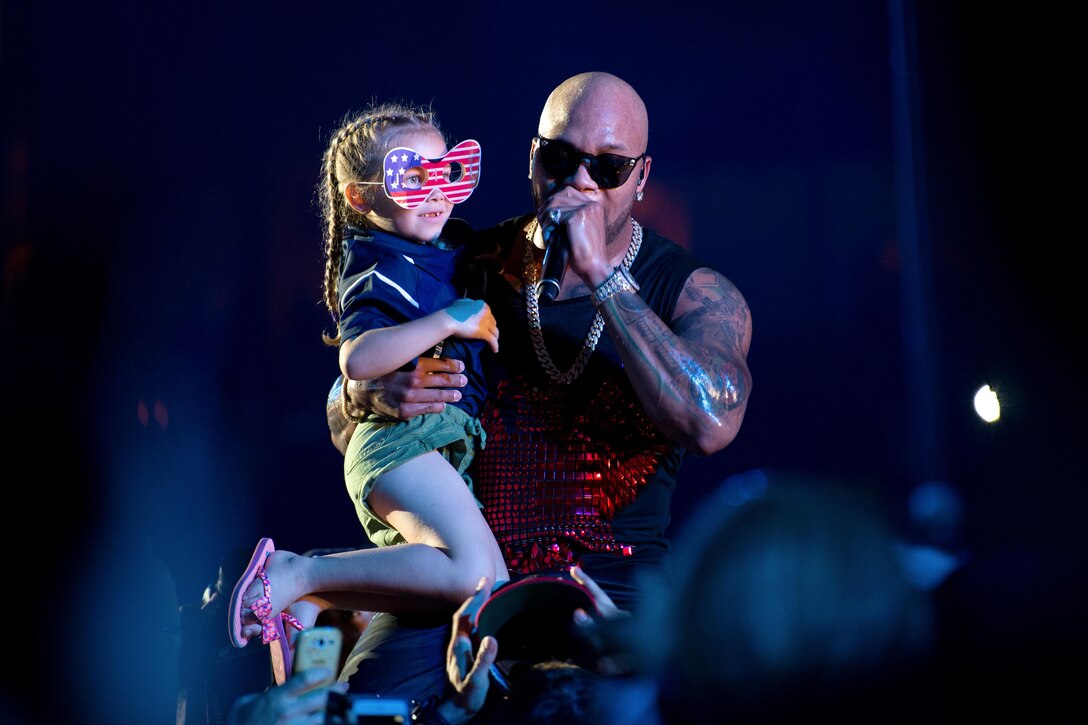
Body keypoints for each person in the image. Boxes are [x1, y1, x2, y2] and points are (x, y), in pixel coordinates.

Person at [330, 71, 753, 701]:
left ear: (640, 178)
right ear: (534, 160)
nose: (580, 180)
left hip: (613, 593)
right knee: (363, 701)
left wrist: (603, 276)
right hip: (468, 585)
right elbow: (344, 409)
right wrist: (364, 396)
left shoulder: (691, 291)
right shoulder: (465, 261)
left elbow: (711, 423)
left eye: (608, 168)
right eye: (561, 157)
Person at [228, 103, 509, 674]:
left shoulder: (441, 249)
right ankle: (298, 574)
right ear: (361, 198)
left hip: (422, 446)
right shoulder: (378, 264)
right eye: (411, 177)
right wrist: (451, 319)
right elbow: (358, 358)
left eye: (448, 170)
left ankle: (313, 588)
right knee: (480, 576)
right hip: (400, 444)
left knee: (475, 579)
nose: (436, 190)